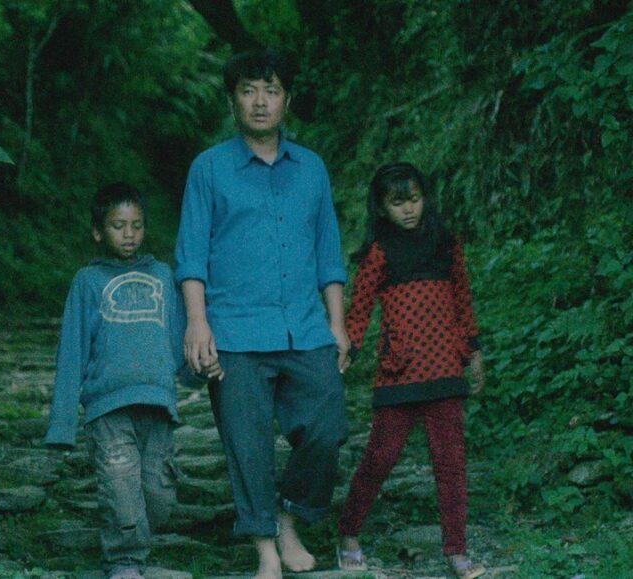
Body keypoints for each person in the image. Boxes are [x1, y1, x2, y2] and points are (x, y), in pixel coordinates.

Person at [174, 48, 349, 578]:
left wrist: (337, 325)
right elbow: (191, 254)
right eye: (248, 91)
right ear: (232, 101)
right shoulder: (209, 168)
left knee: (327, 425)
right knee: (247, 445)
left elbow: (328, 253)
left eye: (270, 91)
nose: (259, 101)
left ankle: (291, 516)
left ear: (287, 100)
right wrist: (197, 322)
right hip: (234, 332)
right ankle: (266, 549)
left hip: (304, 326)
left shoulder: (311, 168)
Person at [45, 182, 221, 579]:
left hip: (157, 407)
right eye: (118, 226)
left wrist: (198, 370)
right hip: (108, 409)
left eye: (137, 226)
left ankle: (134, 542)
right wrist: (61, 425)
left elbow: (180, 340)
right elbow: (71, 353)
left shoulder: (163, 276)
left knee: (158, 495)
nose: (129, 235)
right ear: (97, 232)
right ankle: (124, 562)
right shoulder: (87, 282)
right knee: (121, 488)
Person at [335, 162, 487, 579]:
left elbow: (463, 299)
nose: (408, 210)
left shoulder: (446, 244)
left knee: (451, 461)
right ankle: (348, 532)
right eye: (397, 202)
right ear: (381, 208)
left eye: (415, 199)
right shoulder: (379, 252)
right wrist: (348, 348)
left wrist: (473, 350)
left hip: (444, 366)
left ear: (426, 198)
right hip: (399, 370)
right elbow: (360, 307)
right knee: (379, 457)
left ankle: (456, 551)